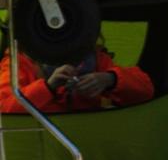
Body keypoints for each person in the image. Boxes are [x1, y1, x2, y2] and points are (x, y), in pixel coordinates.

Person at [0, 40, 154, 113]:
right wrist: (48, 87)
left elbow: (146, 90)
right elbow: (5, 110)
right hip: (42, 145)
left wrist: (109, 79)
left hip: (89, 141)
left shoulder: (95, 59)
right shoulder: (19, 63)